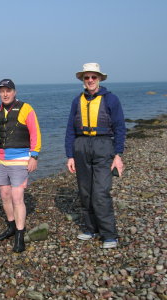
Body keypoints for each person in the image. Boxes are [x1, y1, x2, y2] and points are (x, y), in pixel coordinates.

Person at [65, 63, 126, 249]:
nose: (90, 80)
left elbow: (120, 127)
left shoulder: (111, 100)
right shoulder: (77, 101)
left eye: (93, 77)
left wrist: (118, 155)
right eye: (87, 77)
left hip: (103, 146)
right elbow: (69, 130)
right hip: (81, 147)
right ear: (83, 80)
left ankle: (109, 234)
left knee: (100, 192)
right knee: (85, 192)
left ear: (99, 79)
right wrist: (70, 155)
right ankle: (91, 229)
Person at [0, 79, 41, 253]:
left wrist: (34, 155)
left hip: (20, 159)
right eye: (2, 91)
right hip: (1, 160)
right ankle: (11, 226)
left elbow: (35, 133)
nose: (5, 94)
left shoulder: (26, 109)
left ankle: (19, 233)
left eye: (8, 90)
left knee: (17, 198)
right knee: (4, 195)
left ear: (14, 92)